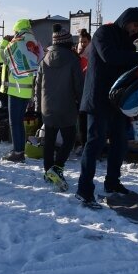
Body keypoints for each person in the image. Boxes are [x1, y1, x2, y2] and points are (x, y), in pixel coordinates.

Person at [76, 7, 138, 206]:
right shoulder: (103, 33)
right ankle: (84, 189)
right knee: (94, 144)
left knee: (120, 143)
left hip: (118, 102)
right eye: (134, 24)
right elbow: (109, 56)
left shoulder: (130, 46)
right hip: (98, 98)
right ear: (126, 19)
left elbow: (131, 71)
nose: (135, 30)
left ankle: (112, 182)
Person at [35, 25, 83, 190]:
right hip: (67, 107)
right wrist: (81, 103)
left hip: (47, 107)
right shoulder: (72, 59)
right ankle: (57, 167)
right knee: (69, 140)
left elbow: (38, 85)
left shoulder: (44, 59)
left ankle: (48, 171)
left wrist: (37, 106)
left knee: (49, 141)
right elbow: (78, 85)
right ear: (66, 42)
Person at [0, 18, 43, 162]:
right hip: (27, 89)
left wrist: (4, 42)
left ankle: (17, 152)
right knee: (20, 121)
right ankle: (20, 149)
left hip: (16, 90)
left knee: (14, 122)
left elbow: (0, 58)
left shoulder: (16, 42)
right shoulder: (34, 42)